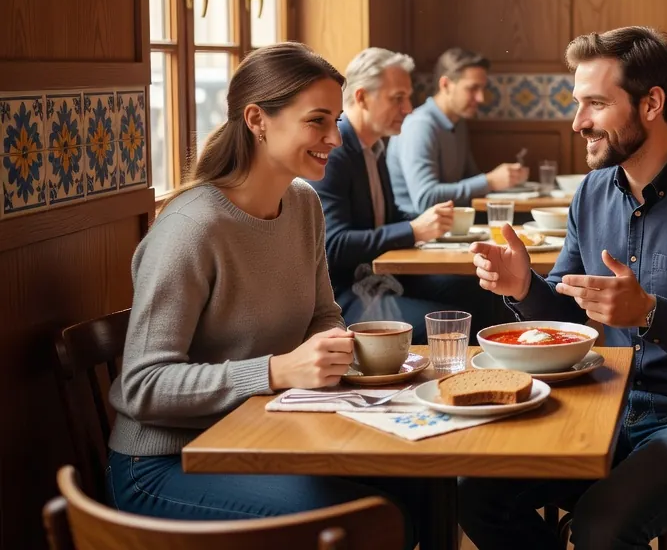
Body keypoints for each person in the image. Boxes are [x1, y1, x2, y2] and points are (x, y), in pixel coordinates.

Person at [457, 27, 667, 549]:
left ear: (652, 103)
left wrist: (652, 313)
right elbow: (570, 316)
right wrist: (523, 287)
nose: (577, 121)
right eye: (578, 103)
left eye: (596, 104)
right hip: (602, 404)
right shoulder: (591, 192)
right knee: (475, 495)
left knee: (603, 528)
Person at [106, 44, 423, 548]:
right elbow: (142, 385)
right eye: (317, 121)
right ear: (257, 119)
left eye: (337, 120)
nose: (333, 138)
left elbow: (323, 313)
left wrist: (332, 347)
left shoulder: (302, 205)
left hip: (262, 435)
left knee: (423, 491)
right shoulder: (192, 228)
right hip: (165, 465)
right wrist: (275, 371)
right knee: (371, 521)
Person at [308, 48, 511, 342]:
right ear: (362, 97)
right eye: (397, 98)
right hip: (347, 297)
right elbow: (333, 246)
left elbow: (388, 219)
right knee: (455, 321)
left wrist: (440, 227)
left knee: (484, 290)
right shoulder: (336, 152)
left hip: (383, 279)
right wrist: (414, 229)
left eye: (407, 97)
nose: (408, 108)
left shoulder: (375, 147)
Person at [387, 48, 529, 215]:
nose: (481, 98)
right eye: (472, 88)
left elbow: (470, 178)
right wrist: (490, 181)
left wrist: (503, 181)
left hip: (452, 227)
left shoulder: (458, 123)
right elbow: (425, 199)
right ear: (446, 85)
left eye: (482, 89)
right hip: (416, 232)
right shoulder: (419, 126)